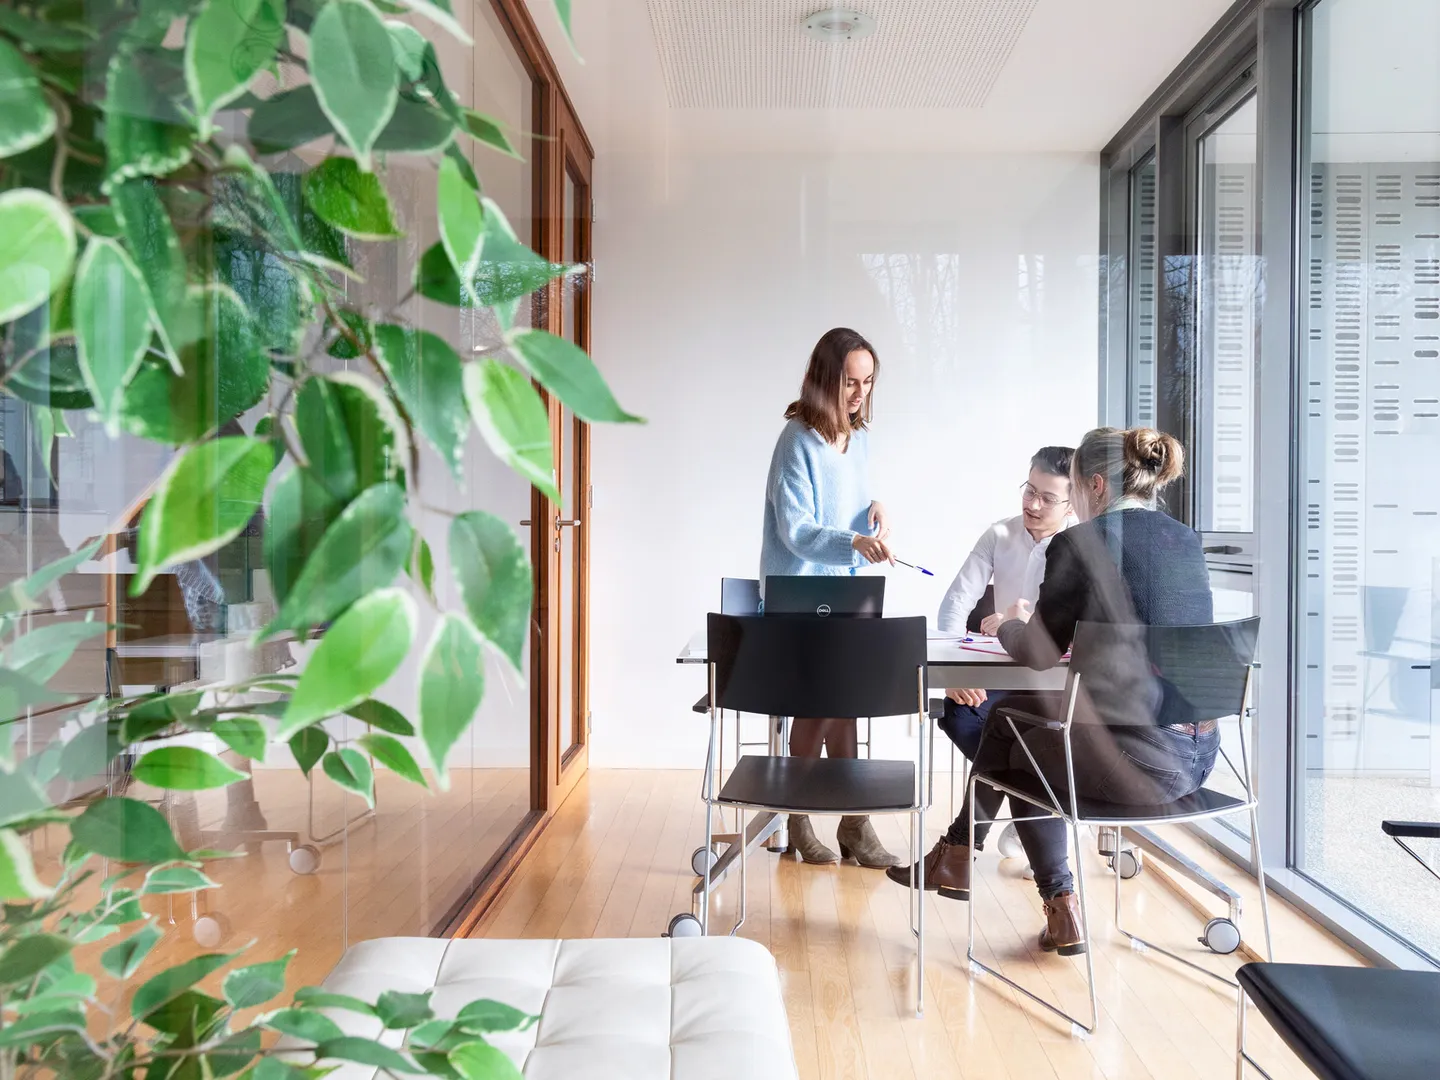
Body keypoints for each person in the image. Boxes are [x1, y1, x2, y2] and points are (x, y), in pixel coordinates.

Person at [888, 426, 1214, 958]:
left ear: (1094, 486)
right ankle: (967, 860)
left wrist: (1006, 626)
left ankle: (1017, 881)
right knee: (1018, 718)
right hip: (1200, 759)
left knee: (1015, 739)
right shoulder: (1185, 540)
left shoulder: (1081, 543)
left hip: (1137, 765)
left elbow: (1037, 651)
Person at [760, 326, 900, 869]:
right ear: (825, 379)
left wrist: (874, 511)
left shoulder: (858, 436)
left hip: (843, 588)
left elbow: (849, 503)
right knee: (823, 700)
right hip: (798, 593)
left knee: (848, 700)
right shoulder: (798, 439)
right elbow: (796, 530)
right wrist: (854, 541)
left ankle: (853, 823)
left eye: (867, 382)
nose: (859, 393)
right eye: (849, 382)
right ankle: (798, 816)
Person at [934, 446, 1074, 760]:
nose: (1034, 505)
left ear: (1071, 505)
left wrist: (1020, 625)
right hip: (1002, 674)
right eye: (1030, 491)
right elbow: (957, 601)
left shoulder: (1081, 545)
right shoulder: (1000, 534)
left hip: (1056, 683)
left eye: (1048, 499)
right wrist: (952, 673)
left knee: (1031, 735)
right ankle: (1029, 786)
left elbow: (1085, 624)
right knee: (959, 713)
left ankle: (1005, 792)